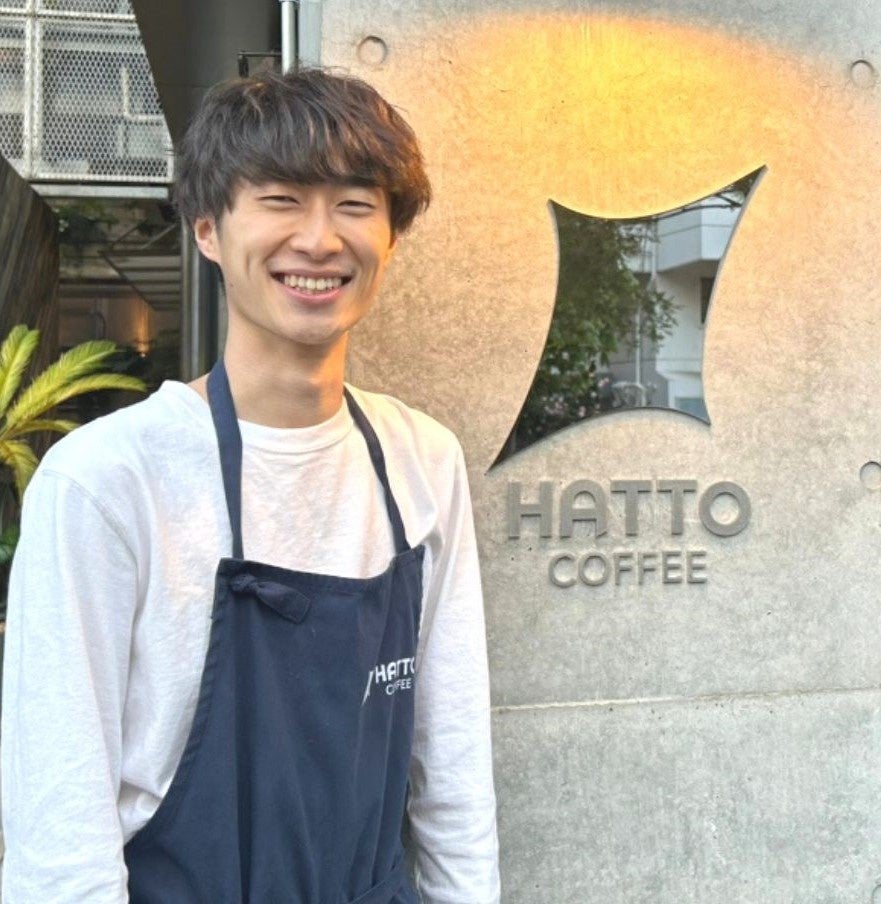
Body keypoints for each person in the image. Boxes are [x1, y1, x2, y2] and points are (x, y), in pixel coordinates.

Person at [1, 68, 500, 903]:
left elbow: (450, 759)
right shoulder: (107, 479)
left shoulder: (422, 458)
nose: (319, 240)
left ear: (390, 238)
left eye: (354, 204)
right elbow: (59, 825)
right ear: (207, 228)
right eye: (280, 200)